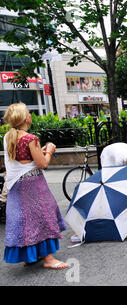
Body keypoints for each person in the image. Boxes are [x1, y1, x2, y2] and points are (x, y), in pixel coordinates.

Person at [2, 102, 67, 269]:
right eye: (28, 113)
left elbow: (22, 159)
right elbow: (42, 163)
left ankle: (30, 256)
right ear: (24, 118)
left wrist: (41, 150)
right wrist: (50, 150)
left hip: (17, 184)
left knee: (25, 219)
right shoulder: (31, 138)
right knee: (43, 215)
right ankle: (49, 259)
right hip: (33, 184)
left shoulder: (8, 137)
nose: (31, 115)